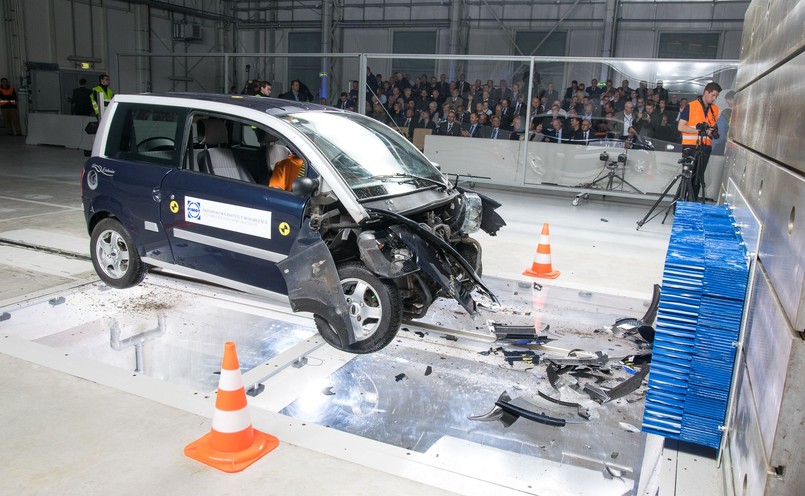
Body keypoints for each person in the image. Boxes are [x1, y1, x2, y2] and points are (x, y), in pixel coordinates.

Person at [678, 82, 721, 201]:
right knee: (687, 178)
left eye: (716, 96)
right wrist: (700, 131)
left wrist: (711, 132)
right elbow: (681, 127)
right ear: (706, 92)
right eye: (713, 95)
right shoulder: (690, 106)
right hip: (690, 147)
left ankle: (692, 206)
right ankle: (679, 207)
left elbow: (712, 129)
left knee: (698, 179)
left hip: (705, 148)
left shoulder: (715, 110)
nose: (714, 98)